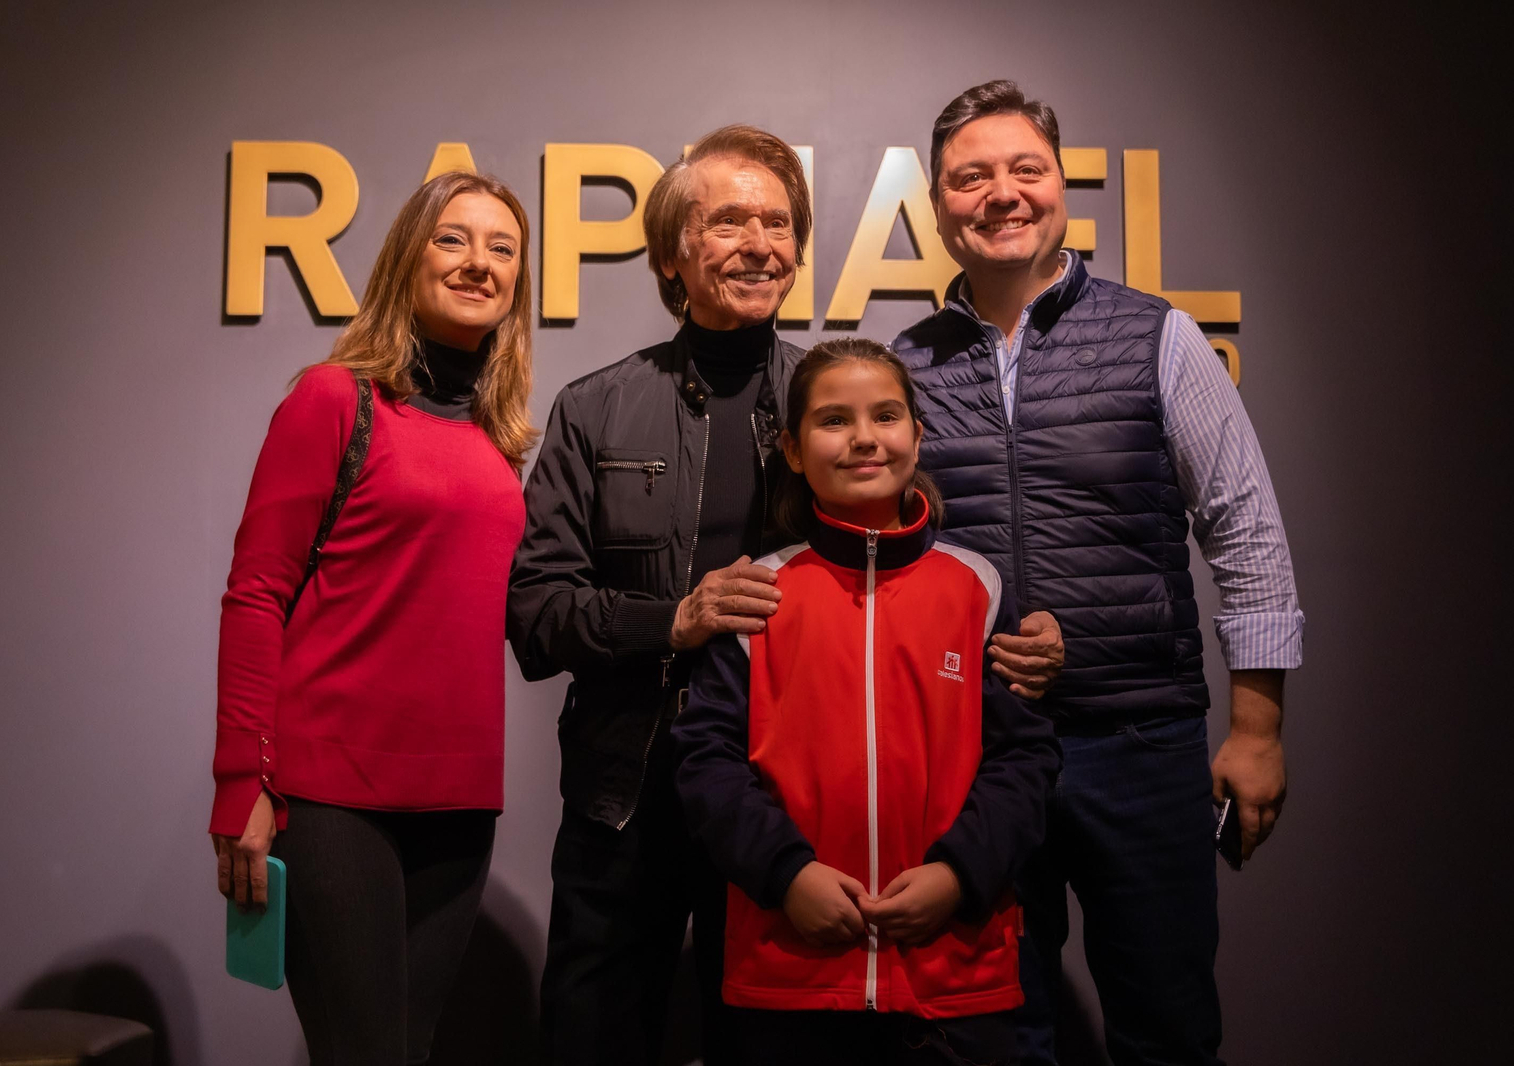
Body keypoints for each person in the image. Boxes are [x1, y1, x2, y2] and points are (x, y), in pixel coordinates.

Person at [894, 81, 1304, 1066]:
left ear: (1062, 186)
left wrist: (1256, 729)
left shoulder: (1157, 335)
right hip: (977, 760)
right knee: (996, 1037)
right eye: (970, 177)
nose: (1000, 193)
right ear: (939, 205)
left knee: (1165, 1030)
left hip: (1143, 745)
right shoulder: (904, 365)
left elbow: (1245, 530)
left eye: (1023, 169)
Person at [208, 171, 536, 1065]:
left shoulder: (499, 442)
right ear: (408, 257)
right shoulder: (333, 398)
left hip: (462, 800)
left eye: (503, 249)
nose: (480, 264)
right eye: (454, 240)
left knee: (408, 1049)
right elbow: (256, 593)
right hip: (332, 791)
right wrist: (244, 781)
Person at [506, 125, 813, 1066]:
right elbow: (537, 610)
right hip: (625, 792)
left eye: (778, 222)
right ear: (674, 253)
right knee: (594, 1038)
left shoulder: (833, 400)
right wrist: (672, 622)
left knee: (771, 1042)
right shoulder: (593, 407)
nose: (759, 242)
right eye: (729, 220)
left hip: (786, 792)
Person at [672, 338, 1061, 1065]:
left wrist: (957, 874)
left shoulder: (978, 589)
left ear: (917, 434)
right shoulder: (758, 590)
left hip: (953, 976)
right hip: (791, 977)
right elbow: (706, 762)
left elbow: (1026, 759)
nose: (862, 439)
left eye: (885, 416)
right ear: (790, 448)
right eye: (832, 421)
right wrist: (787, 875)